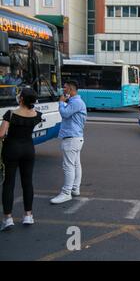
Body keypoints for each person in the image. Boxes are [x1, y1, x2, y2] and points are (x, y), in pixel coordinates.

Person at [0, 88, 42, 231]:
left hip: (11, 149)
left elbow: (1, 134)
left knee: (9, 183)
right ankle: (28, 215)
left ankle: (8, 218)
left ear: (22, 99)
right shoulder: (37, 114)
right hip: (28, 150)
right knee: (27, 182)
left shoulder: (11, 114)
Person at [50, 81, 87, 205]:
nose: (62, 89)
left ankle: (66, 193)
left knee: (68, 166)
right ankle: (75, 188)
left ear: (70, 89)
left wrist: (61, 102)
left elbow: (65, 113)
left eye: (64, 88)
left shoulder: (75, 102)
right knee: (76, 164)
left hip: (71, 138)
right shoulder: (75, 102)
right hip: (76, 138)